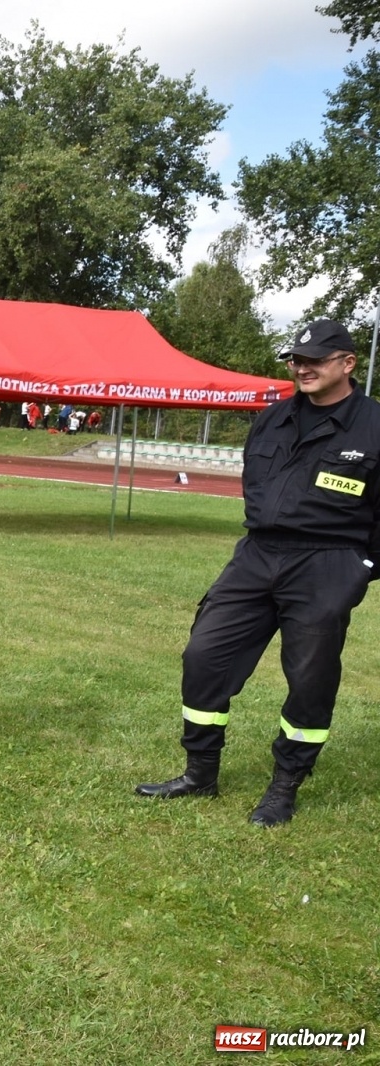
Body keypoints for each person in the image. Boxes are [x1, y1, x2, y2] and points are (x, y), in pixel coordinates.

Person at [135, 319, 380, 826]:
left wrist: (361, 567)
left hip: (327, 560)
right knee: (204, 655)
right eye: (296, 359)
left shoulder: (374, 426)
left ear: (348, 363)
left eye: (314, 359)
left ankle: (284, 785)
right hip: (257, 555)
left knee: (310, 677)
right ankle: (200, 773)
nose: (302, 367)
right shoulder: (271, 419)